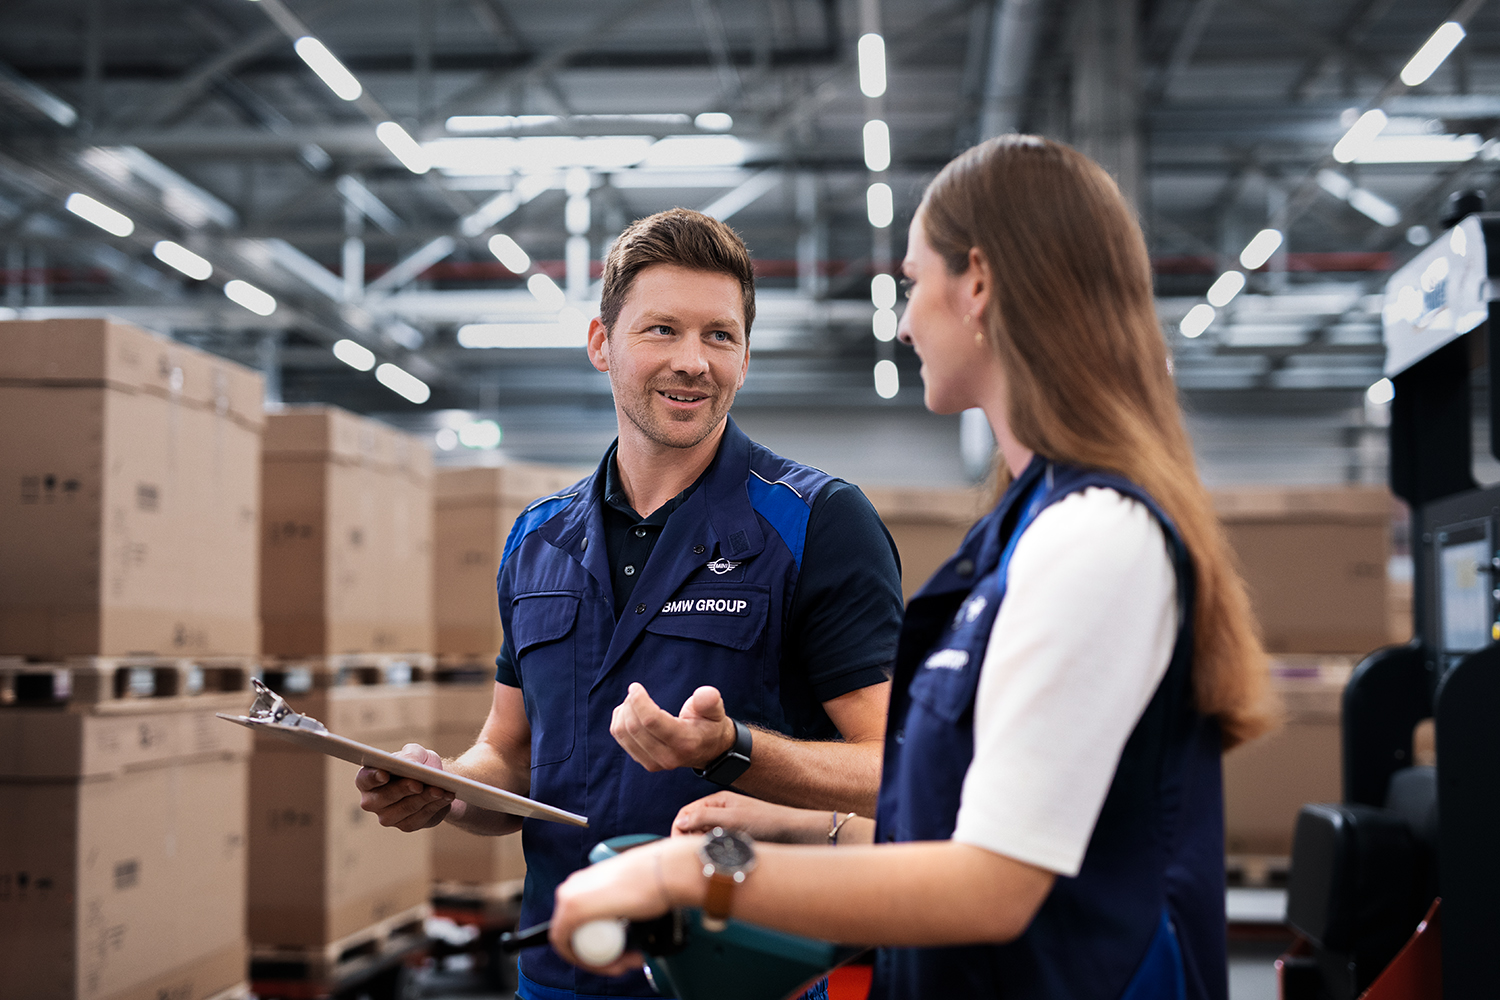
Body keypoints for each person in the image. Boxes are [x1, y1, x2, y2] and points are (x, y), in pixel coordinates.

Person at [545, 136, 1274, 1000]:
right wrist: (770, 833)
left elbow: (990, 887)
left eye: (913, 280)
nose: (901, 320)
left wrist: (694, 876)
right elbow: (950, 825)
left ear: (978, 284)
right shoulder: (1022, 532)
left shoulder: (1096, 540)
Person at [356, 208, 905, 999]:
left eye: (719, 336)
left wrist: (736, 749)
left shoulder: (815, 521)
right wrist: (444, 787)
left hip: (734, 975)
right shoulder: (536, 542)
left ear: (746, 358)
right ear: (601, 343)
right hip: (558, 973)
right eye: (661, 330)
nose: (693, 361)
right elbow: (511, 757)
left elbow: (893, 769)